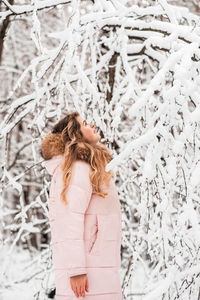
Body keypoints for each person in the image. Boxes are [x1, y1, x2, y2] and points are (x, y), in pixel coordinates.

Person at [41, 111, 123, 300]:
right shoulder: (77, 168)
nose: (92, 125)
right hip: (87, 274)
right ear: (75, 134)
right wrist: (76, 270)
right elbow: (68, 218)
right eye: (85, 123)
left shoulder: (87, 167)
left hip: (98, 268)